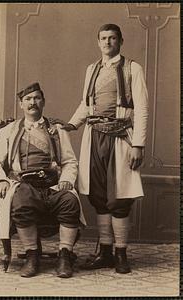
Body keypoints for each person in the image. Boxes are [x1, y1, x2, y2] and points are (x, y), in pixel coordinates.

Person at [61, 24, 148, 273]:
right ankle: (106, 252)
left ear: (121, 40)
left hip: (121, 138)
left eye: (112, 38)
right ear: (98, 42)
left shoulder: (133, 68)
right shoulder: (92, 69)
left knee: (120, 196)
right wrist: (71, 124)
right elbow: (86, 103)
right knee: (98, 195)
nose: (107, 42)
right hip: (94, 136)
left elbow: (141, 108)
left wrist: (139, 145)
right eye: (103, 38)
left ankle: (121, 254)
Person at [0, 81, 86, 278]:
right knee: (21, 203)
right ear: (21, 104)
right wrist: (1, 180)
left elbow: (70, 161)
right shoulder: (9, 130)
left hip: (52, 185)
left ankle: (64, 255)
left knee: (70, 201)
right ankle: (32, 255)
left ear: (43, 102)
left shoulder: (57, 130)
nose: (32, 102)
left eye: (37, 98)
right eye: (27, 99)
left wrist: (67, 180)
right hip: (24, 185)